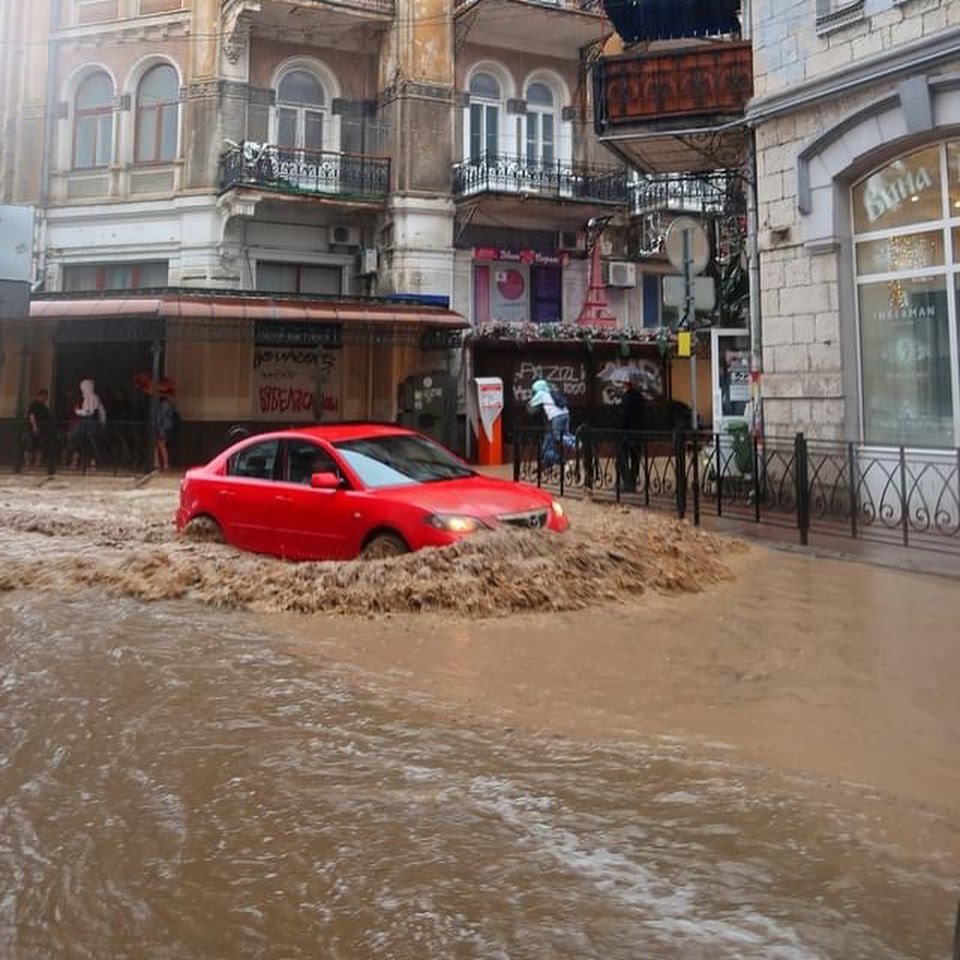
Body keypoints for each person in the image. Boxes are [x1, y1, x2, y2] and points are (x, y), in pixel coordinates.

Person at [527, 378, 570, 466]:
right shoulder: (551, 392)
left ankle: (576, 445)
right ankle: (548, 463)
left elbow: (531, 408)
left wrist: (531, 404)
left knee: (557, 436)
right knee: (565, 435)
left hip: (555, 417)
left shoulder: (541, 394)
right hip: (565, 414)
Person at [69, 378, 106, 468]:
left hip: (90, 422)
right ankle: (79, 460)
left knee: (91, 442)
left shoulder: (93, 397)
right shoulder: (87, 398)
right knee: (76, 438)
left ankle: (92, 462)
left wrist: (78, 411)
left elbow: (90, 412)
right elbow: (102, 412)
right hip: (86, 422)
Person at [619, 375, 645, 493]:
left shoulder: (626, 397)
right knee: (635, 457)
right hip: (638, 430)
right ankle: (633, 480)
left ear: (626, 384)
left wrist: (621, 427)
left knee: (623, 457)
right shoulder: (640, 397)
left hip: (627, 431)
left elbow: (624, 416)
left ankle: (626, 482)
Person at [152, 382, 177, 472]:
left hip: (162, 427)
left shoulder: (164, 405)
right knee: (159, 445)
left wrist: (159, 427)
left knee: (161, 445)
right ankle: (159, 463)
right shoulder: (169, 404)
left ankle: (163, 464)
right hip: (165, 427)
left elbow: (161, 417)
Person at [25, 388, 52, 469]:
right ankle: (28, 462)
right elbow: (31, 416)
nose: (45, 399)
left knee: (40, 446)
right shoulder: (34, 405)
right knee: (30, 445)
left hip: (43, 430)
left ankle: (37, 462)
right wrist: (34, 426)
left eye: (46, 397)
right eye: (44, 396)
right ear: (39, 396)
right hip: (33, 428)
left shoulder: (45, 407)